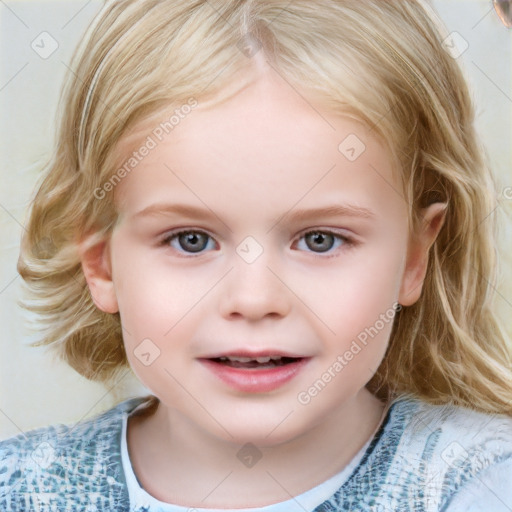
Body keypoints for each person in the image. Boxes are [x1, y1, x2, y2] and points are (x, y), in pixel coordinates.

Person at [1, 0, 512, 510]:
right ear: (101, 263)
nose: (254, 299)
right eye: (191, 240)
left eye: (320, 240)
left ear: (414, 258)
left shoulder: (480, 485)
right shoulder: (21, 489)